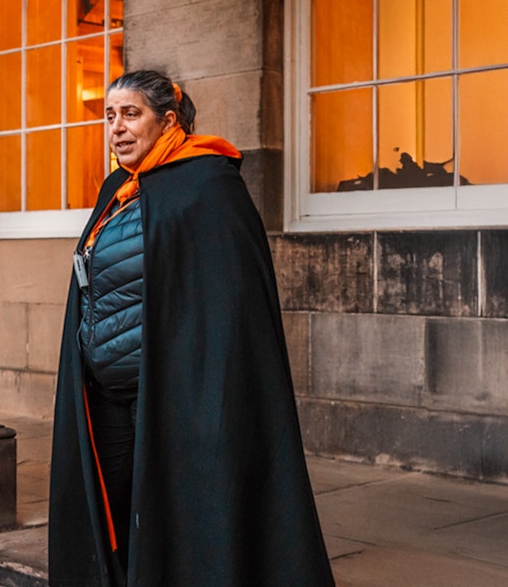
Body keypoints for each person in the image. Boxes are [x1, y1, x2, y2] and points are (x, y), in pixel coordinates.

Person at [48, 70, 334, 586]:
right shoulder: (118, 188)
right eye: (109, 116)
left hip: (175, 395)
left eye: (131, 114)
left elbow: (228, 305)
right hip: (105, 396)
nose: (116, 128)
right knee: (115, 517)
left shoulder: (207, 185)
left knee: (181, 519)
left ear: (169, 121)